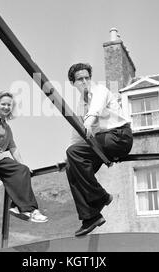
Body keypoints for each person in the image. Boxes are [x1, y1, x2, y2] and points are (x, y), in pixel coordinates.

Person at [65, 63, 133, 236]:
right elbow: (77, 135)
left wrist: (88, 122)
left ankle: (102, 196)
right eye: (80, 79)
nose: (85, 81)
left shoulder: (100, 91)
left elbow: (95, 110)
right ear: (73, 83)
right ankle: (91, 217)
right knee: (71, 167)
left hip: (118, 137)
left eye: (87, 77)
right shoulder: (81, 105)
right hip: (102, 143)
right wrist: (67, 158)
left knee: (74, 153)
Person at [0, 91, 48, 223]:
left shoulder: (7, 128)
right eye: (3, 104)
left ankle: (17, 206)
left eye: (9, 105)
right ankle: (30, 209)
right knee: (20, 170)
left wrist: (24, 165)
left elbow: (13, 148)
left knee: (21, 171)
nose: (6, 107)